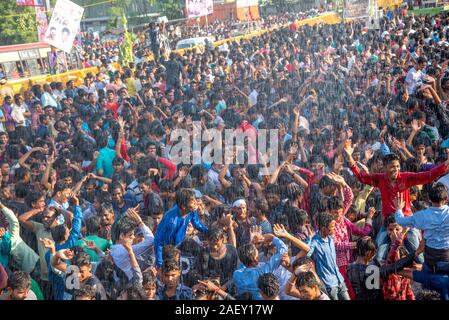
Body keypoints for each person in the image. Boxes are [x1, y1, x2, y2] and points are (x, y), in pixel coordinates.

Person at [154, 189, 208, 268]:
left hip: (182, 240)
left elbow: (197, 223)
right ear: (183, 206)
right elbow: (159, 242)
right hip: (169, 246)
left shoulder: (192, 210)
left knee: (202, 254)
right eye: (193, 202)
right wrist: (160, 263)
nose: (196, 204)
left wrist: (209, 233)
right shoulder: (171, 220)